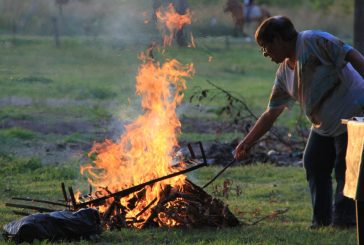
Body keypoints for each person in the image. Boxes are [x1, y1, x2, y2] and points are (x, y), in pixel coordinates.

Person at [234, 16, 364, 228]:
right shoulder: (284, 72)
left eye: (266, 47)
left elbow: (352, 54)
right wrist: (247, 142)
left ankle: (345, 221)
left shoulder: (314, 40)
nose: (265, 53)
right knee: (314, 162)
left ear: (277, 39)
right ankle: (321, 221)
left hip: (351, 114)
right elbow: (270, 113)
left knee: (345, 169)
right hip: (323, 126)